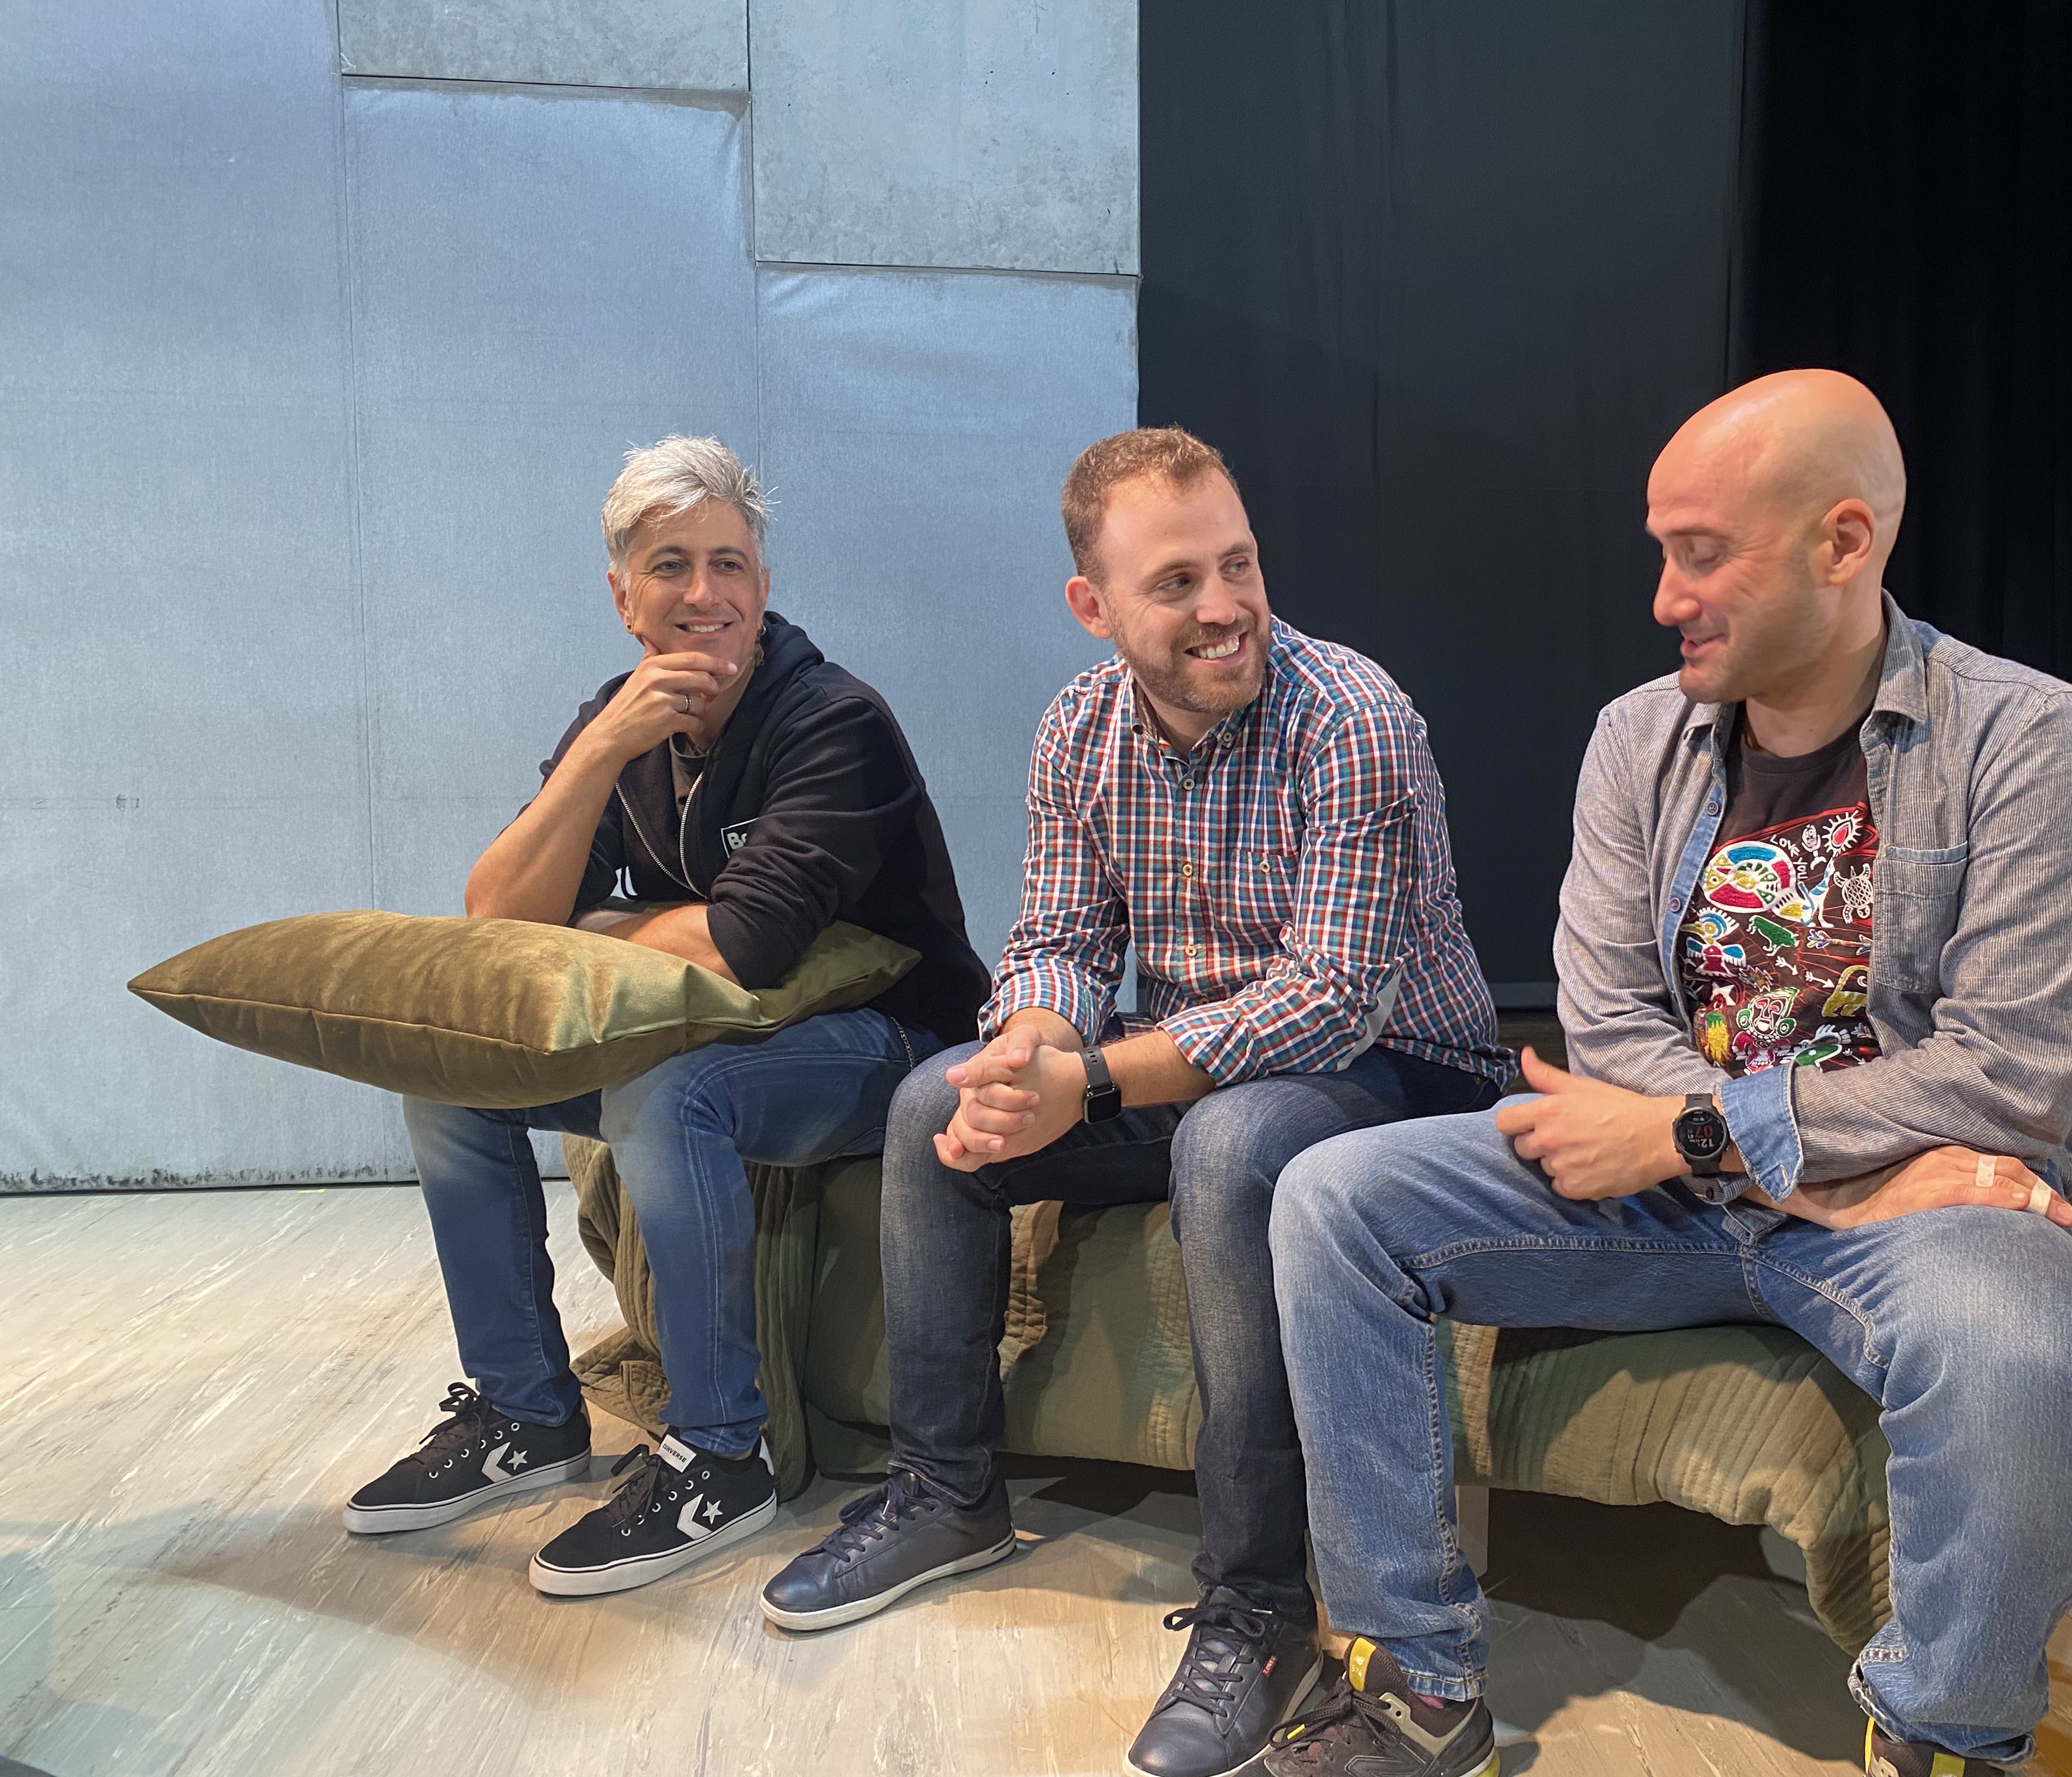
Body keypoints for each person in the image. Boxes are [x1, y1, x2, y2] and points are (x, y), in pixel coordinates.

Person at [1263, 372, 2072, 1777]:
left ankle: (1941, 1739)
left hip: (1910, 1216)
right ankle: (1417, 1685)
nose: (1667, 594)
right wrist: (1743, 1159)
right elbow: (1605, 1016)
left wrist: (1694, 1137)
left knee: (2034, 1349)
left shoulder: (2026, 738)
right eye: (1662, 551)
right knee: (1330, 1200)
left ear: (1842, 544)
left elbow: (2005, 1075)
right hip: (1716, 1188)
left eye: (1703, 553)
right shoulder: (1639, 737)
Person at [762, 427, 1514, 1777]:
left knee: (1233, 1145)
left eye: (1239, 564)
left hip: (1399, 1073)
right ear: (1095, 607)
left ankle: (1259, 1602)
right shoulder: (1079, 726)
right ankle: (946, 1492)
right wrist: (1030, 1053)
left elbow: (1330, 1001)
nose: (1224, 605)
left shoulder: (1357, 720)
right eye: (1177, 583)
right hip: (1176, 1056)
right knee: (937, 1104)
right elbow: (1057, 937)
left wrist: (1093, 1078)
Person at [343, 436, 989, 1599]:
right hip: (735, 1039)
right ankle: (527, 1416)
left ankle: (720, 1455)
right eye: (673, 566)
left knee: (666, 1092)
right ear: (622, 595)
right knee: (448, 1076)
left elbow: (744, 947)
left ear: (764, 584)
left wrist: (598, 933)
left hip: (891, 1045)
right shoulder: (619, 725)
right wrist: (597, 752)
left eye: (730, 564)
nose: (706, 594)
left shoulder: (833, 723)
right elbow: (498, 914)